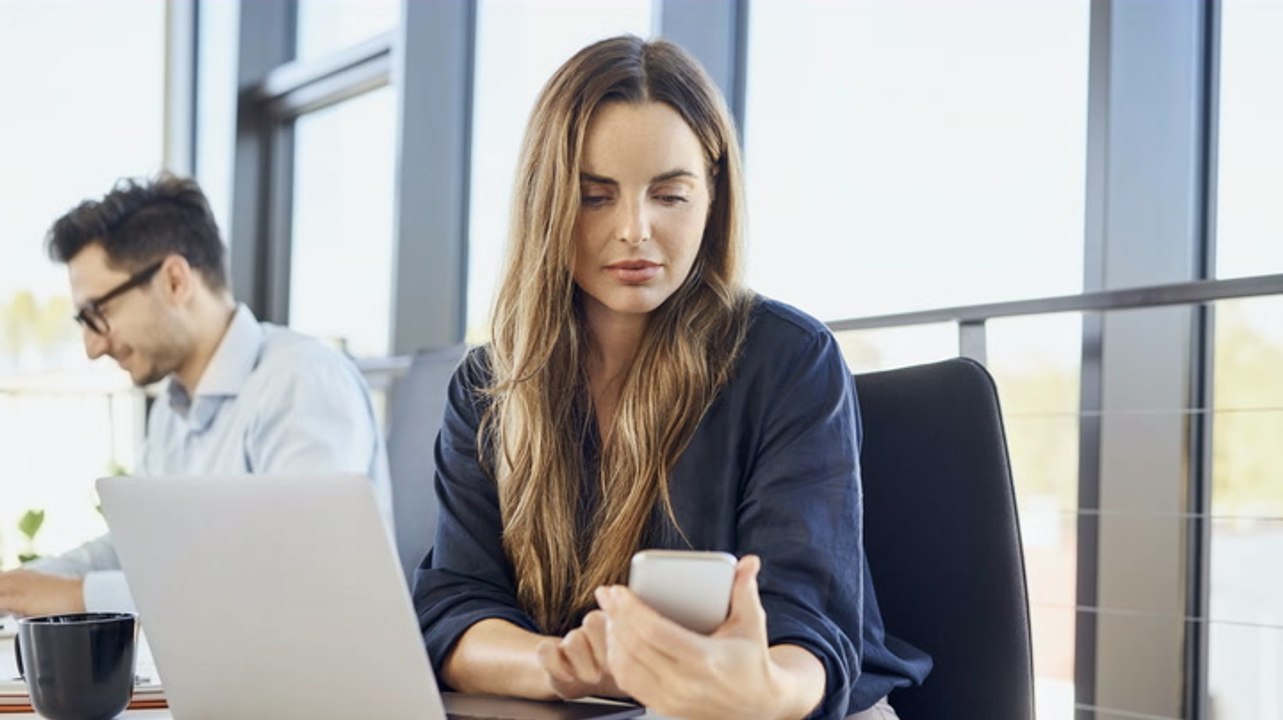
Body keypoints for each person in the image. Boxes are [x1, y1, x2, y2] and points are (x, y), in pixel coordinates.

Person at [413, 36, 931, 720]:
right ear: (546, 204)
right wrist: (557, 664)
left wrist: (760, 690)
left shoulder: (787, 359)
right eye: (594, 197)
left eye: (670, 195)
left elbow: (811, 628)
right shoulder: (490, 385)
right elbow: (454, 603)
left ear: (712, 196)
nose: (634, 230)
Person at [0, 174, 392, 617]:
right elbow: (138, 548)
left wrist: (80, 596)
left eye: (100, 313)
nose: (94, 347)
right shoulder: (174, 409)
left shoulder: (301, 382)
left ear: (174, 280)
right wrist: (16, 591)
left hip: (315, 681)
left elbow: (289, 575)